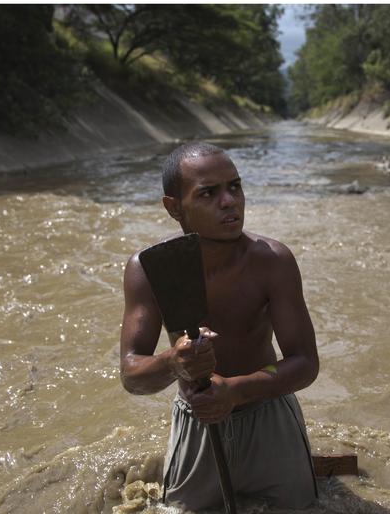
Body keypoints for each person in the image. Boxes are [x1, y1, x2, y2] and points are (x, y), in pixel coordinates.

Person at [120, 141, 319, 510]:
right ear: (174, 207)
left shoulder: (272, 261)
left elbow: (305, 362)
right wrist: (172, 362)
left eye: (235, 186)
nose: (229, 201)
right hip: (198, 422)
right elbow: (132, 375)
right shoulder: (150, 268)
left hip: (268, 409)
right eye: (209, 193)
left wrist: (234, 390)